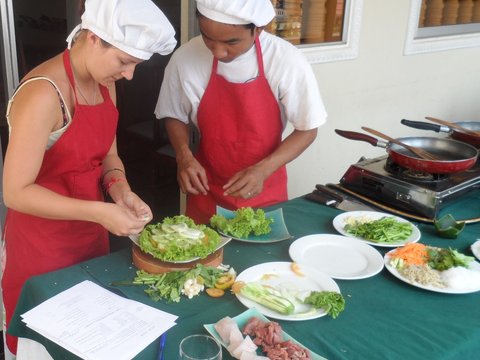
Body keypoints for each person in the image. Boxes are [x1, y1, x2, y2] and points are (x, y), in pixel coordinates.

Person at [1, 0, 176, 355]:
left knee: (91, 341)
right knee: (46, 347)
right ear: (94, 38)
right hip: (41, 249)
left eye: (135, 65)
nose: (129, 75)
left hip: (90, 240)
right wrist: (99, 212)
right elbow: (15, 192)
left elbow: (108, 156)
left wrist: (121, 190)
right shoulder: (43, 93)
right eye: (125, 62)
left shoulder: (104, 82)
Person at [155, 0, 327, 224]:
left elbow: (307, 129)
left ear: (258, 29)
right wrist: (184, 156)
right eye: (207, 37)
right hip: (207, 188)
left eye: (231, 42)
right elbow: (173, 113)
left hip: (265, 190)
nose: (217, 52)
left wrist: (263, 170)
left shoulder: (285, 60)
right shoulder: (185, 58)